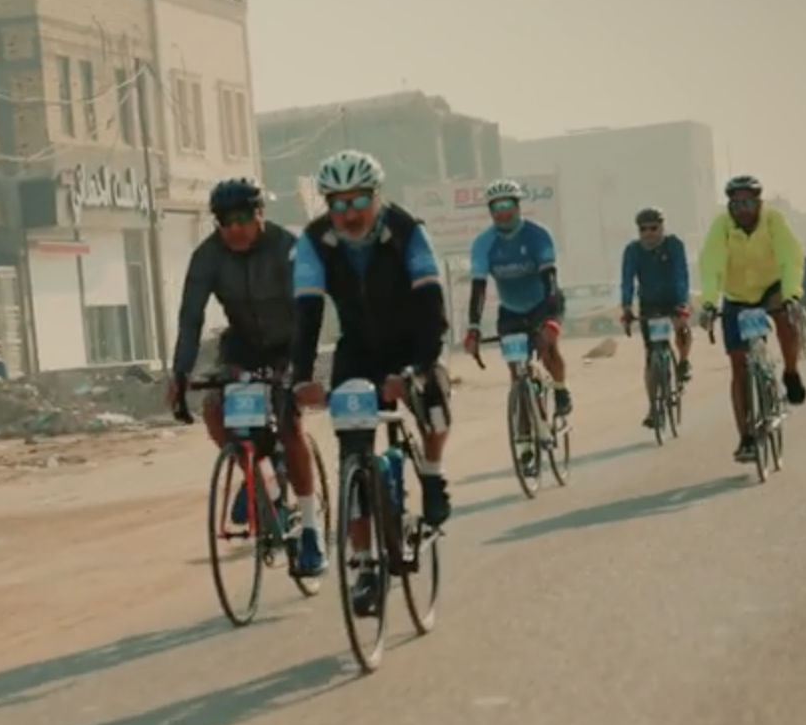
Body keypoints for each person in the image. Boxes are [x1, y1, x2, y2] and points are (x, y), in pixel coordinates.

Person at [286, 149, 453, 622]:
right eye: (338, 204)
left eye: (359, 201)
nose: (350, 214)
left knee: (436, 404)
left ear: (377, 196)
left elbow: (432, 307)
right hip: (357, 350)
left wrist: (418, 370)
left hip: (411, 343)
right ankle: (363, 566)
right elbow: (307, 313)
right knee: (353, 457)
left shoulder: (408, 231)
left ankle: (435, 474)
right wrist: (301, 379)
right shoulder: (316, 242)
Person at [166, 177, 323, 577]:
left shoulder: (287, 249)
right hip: (243, 345)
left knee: (289, 424)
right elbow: (191, 316)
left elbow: (308, 311)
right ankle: (257, 482)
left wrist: (298, 369)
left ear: (260, 215)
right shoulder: (207, 256)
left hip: (289, 342)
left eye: (241, 219)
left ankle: (310, 530)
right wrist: (180, 373)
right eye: (223, 220)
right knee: (217, 411)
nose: (233, 228)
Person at [696, 174, 806, 464]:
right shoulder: (721, 226)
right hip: (736, 295)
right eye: (736, 203)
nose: (742, 209)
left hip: (771, 287)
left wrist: (792, 295)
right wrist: (709, 303)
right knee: (739, 366)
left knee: (785, 318)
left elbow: (790, 257)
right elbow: (711, 264)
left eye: (748, 202)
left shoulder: (774, 221)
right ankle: (746, 436)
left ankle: (791, 372)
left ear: (759, 203)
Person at [462, 178, 572, 420]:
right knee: (516, 371)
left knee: (547, 350)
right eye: (496, 208)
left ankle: (561, 390)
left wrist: (552, 319)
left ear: (518, 205)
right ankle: (533, 421)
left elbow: (550, 280)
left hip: (544, 302)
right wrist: (473, 328)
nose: (502, 213)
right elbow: (478, 288)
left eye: (507, 206)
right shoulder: (484, 243)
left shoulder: (538, 235)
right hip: (511, 308)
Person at [618, 206, 694, 421]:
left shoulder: (674, 245)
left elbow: (681, 273)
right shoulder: (633, 250)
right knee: (651, 357)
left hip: (673, 299)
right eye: (644, 229)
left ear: (662, 227)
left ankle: (684, 360)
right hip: (649, 303)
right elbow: (627, 280)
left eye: (654, 228)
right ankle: (653, 407)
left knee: (682, 328)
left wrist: (681, 302)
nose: (649, 233)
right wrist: (626, 308)